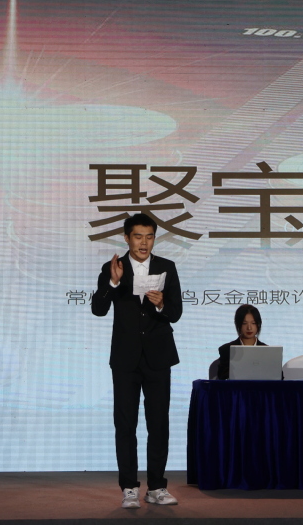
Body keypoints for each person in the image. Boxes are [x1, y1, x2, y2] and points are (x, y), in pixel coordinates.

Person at [92, 213, 182, 509]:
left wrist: (162, 304)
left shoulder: (167, 267)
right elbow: (98, 309)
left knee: (159, 424)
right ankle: (129, 487)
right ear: (127, 238)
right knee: (125, 424)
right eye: (138, 236)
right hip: (125, 358)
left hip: (158, 357)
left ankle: (157, 487)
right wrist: (113, 283)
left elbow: (176, 313)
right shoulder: (113, 267)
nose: (144, 243)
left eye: (150, 237)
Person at [216, 304, 269, 380]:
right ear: (238, 324)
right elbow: (223, 376)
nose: (249, 328)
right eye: (244, 323)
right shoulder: (226, 350)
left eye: (253, 323)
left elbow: (279, 376)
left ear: (258, 324)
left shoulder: (268, 351)